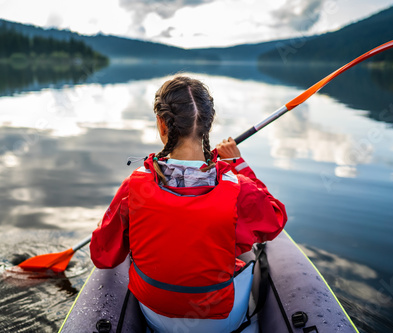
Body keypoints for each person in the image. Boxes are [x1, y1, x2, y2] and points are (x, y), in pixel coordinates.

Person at [90, 76, 287, 332]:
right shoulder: (238, 188)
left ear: (162, 125)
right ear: (208, 124)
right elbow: (274, 221)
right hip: (220, 319)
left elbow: (101, 255)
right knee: (246, 248)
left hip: (156, 313)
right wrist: (239, 165)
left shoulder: (134, 186)